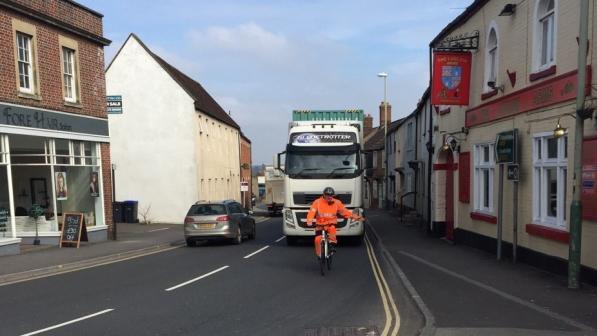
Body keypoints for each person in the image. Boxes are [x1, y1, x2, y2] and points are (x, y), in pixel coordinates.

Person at [306, 187, 363, 257]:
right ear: (323, 195)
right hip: (320, 225)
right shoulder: (317, 202)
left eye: (331, 195)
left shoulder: (337, 203)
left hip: (331, 224)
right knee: (317, 239)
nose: (330, 197)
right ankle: (320, 255)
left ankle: (331, 246)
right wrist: (309, 221)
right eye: (327, 195)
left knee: (332, 230)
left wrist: (356, 217)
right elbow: (312, 212)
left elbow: (345, 212)